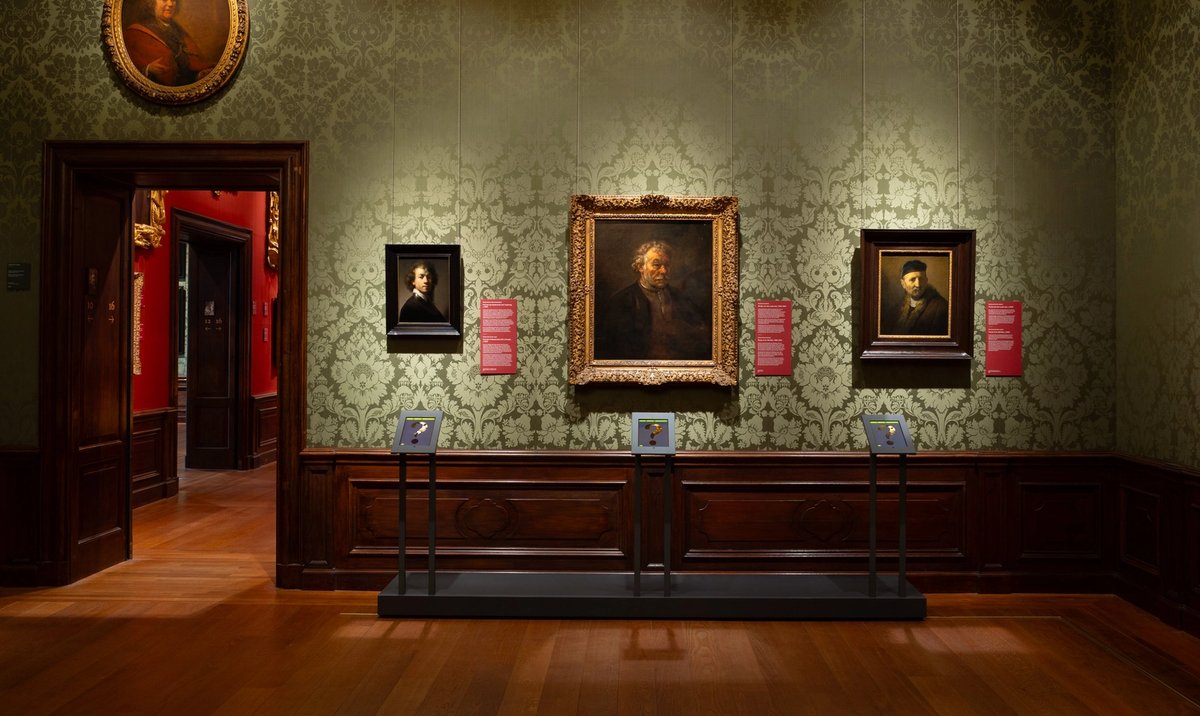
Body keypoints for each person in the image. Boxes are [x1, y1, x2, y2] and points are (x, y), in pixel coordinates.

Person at [595, 241, 710, 360]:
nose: (664, 271)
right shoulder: (621, 302)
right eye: (656, 265)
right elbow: (612, 349)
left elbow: (702, 338)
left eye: (667, 265)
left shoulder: (680, 298)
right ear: (640, 267)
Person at [124, 0, 215, 86]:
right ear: (152, 2)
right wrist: (147, 69)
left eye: (173, 0)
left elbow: (191, 63)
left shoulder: (178, 30)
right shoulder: (136, 32)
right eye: (164, 0)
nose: (171, 4)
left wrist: (198, 74)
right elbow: (127, 69)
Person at [884, 258, 949, 335]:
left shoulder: (942, 308)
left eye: (921, 279)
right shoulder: (896, 309)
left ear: (926, 281)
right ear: (903, 283)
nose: (918, 285)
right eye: (912, 280)